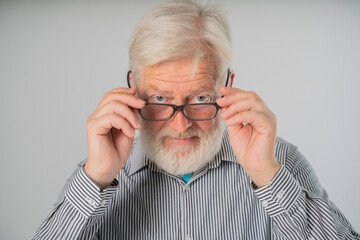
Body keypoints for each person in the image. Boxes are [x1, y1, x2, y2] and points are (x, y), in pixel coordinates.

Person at [34, 0, 359, 239]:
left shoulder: (279, 161)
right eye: (160, 99)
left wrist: (267, 174)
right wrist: (96, 178)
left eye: (201, 99)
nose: (180, 126)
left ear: (227, 87)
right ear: (133, 89)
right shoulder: (100, 173)